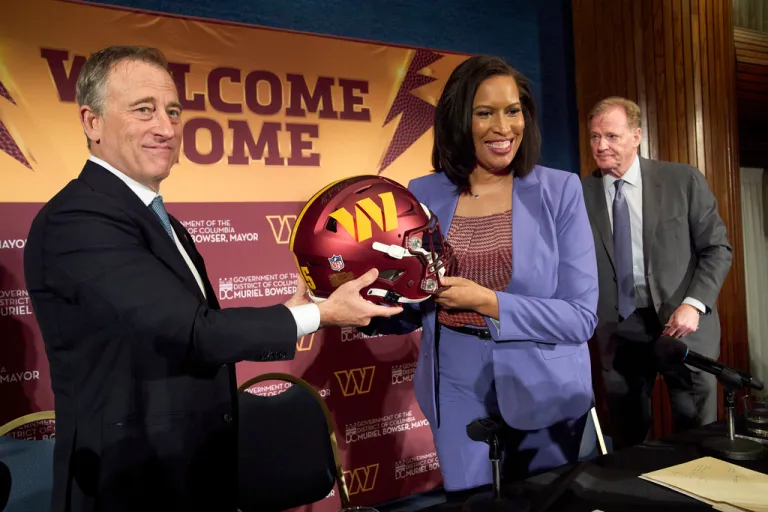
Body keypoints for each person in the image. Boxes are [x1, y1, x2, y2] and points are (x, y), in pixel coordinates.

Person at [22, 45, 401, 512]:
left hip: (191, 471)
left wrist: (294, 310)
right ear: (92, 122)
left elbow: (188, 328)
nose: (166, 127)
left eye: (173, 111)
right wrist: (317, 315)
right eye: (144, 110)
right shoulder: (78, 218)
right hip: (132, 485)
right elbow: (194, 331)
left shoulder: (151, 217)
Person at [365, 55, 598, 498]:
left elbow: (580, 317)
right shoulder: (424, 192)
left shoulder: (560, 190)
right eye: (485, 112)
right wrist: (363, 308)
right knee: (468, 502)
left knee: (544, 502)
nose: (503, 127)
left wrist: (486, 301)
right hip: (453, 385)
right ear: (459, 119)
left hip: (544, 385)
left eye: (513, 111)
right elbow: (417, 303)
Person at [581, 97, 732, 450]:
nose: (601, 146)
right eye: (594, 136)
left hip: (682, 325)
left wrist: (694, 305)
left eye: (611, 136)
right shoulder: (578, 192)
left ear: (636, 136)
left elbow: (717, 249)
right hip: (617, 328)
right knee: (629, 433)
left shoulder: (682, 180)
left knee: (695, 426)